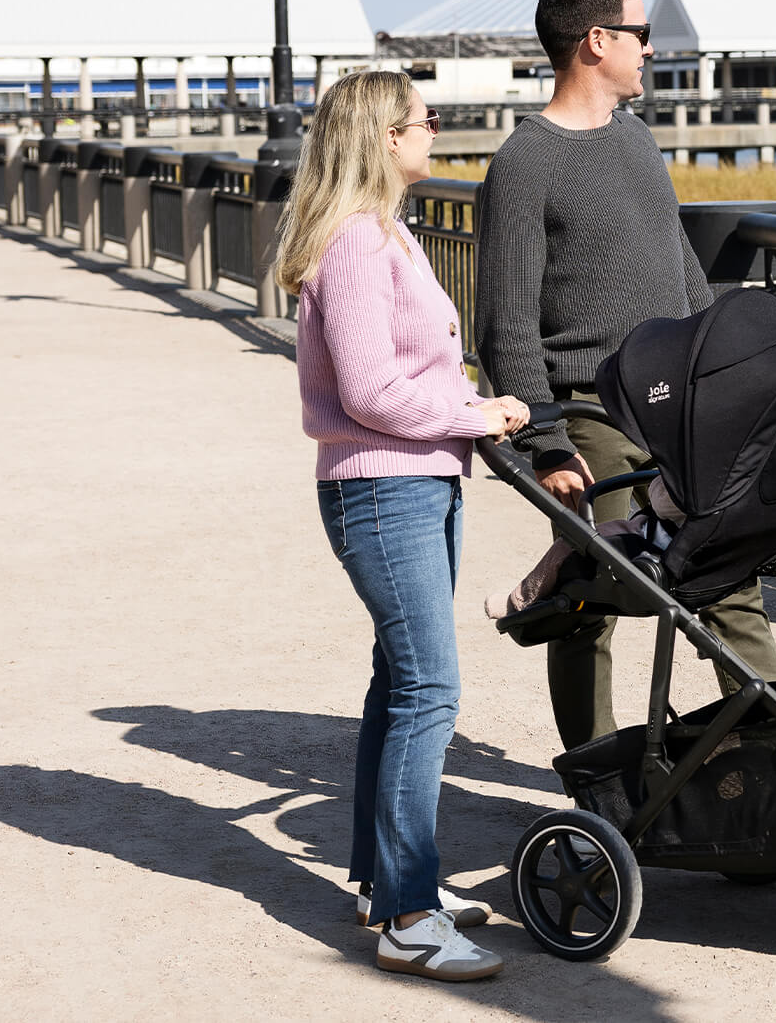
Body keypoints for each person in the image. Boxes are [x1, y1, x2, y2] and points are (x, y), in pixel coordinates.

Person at [475, 0, 776, 750]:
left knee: (728, 580)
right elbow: (505, 324)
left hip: (682, 408)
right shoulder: (523, 164)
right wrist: (547, 444)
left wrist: (729, 372)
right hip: (594, 415)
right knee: (602, 590)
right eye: (641, 34)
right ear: (597, 41)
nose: (651, 48)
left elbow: (680, 269)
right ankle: (598, 777)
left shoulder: (637, 138)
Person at [274, 70, 529, 981]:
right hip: (384, 489)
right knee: (430, 691)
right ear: (384, 137)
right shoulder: (354, 244)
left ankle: (388, 884)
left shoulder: (388, 233)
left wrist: (466, 412)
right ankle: (411, 919)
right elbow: (372, 393)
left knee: (400, 685)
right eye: (427, 121)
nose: (436, 131)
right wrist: (478, 411)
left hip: (414, 484)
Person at [486, 476, 682, 620]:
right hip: (692, 549)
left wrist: (660, 479)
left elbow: (662, 502)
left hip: (651, 541)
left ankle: (519, 600)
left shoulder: (693, 486)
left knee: (571, 542)